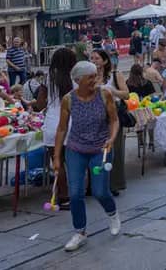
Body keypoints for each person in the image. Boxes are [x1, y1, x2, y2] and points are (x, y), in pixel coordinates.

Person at [52, 61, 121, 251]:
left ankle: (112, 212)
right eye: (90, 77)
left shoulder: (105, 94)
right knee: (75, 194)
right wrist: (57, 157)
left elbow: (114, 121)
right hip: (75, 149)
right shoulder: (69, 99)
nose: (94, 80)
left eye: (95, 76)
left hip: (101, 149)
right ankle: (80, 232)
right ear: (78, 80)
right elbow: (62, 129)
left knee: (100, 191)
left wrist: (112, 138)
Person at [33, 47, 76, 211]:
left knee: (58, 163)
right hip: (73, 123)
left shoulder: (47, 80)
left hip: (53, 124)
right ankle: (77, 192)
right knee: (74, 162)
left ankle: (64, 197)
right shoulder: (76, 79)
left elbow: (40, 105)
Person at [90, 48, 129, 196]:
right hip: (95, 114)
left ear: (105, 61)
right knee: (96, 150)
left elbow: (126, 94)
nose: (94, 61)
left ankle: (115, 184)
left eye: (97, 59)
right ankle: (97, 183)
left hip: (113, 114)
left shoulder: (115, 75)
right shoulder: (90, 77)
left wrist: (112, 91)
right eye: (92, 59)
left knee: (114, 149)